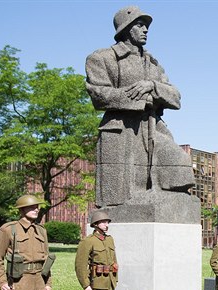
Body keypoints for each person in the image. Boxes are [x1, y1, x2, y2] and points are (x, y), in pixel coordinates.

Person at [85, 5, 195, 208]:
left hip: (153, 127)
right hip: (121, 129)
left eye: (146, 27)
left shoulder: (153, 64)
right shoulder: (102, 58)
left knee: (180, 166)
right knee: (122, 193)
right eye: (140, 25)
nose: (145, 30)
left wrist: (152, 86)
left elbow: (176, 97)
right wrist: (141, 99)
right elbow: (99, 94)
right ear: (125, 28)